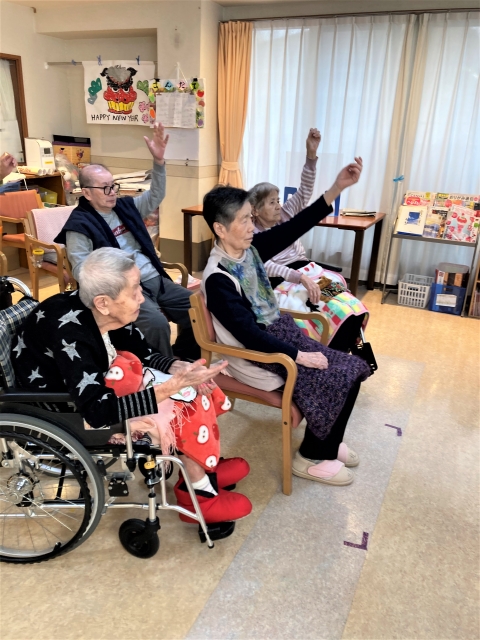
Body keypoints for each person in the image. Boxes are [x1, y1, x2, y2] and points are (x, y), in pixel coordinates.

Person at [11, 248, 251, 532]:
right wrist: (168, 388)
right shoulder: (70, 334)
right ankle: (198, 495)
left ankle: (202, 465)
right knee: (179, 404)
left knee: (197, 390)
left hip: (101, 381)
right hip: (67, 408)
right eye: (135, 289)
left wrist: (175, 366)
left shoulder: (101, 311)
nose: (142, 297)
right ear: (103, 302)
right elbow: (98, 412)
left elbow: (142, 350)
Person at [202, 158, 371, 486]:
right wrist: (299, 356)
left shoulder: (248, 250)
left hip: (279, 335)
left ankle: (327, 442)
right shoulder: (218, 278)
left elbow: (295, 226)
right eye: (243, 220)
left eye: (251, 218)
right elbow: (249, 336)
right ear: (220, 229)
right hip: (259, 355)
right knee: (342, 375)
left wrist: (336, 188)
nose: (251, 226)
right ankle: (311, 457)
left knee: (352, 368)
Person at [55, 122, 199, 361]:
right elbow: (81, 270)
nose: (112, 192)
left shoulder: (125, 207)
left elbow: (156, 195)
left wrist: (159, 162)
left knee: (200, 309)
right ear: (87, 193)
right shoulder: (79, 225)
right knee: (157, 324)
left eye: (113, 186)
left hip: (156, 278)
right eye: (105, 188)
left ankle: (183, 357)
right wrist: (114, 280)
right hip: (124, 288)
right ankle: (162, 370)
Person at [249, 129, 368, 353]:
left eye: (278, 200)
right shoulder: (252, 233)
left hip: (306, 270)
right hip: (284, 279)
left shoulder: (285, 214)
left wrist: (311, 156)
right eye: (271, 202)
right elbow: (265, 266)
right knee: (327, 308)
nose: (278, 206)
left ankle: (344, 353)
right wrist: (300, 277)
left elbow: (304, 191)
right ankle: (330, 354)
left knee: (349, 306)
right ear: (255, 210)